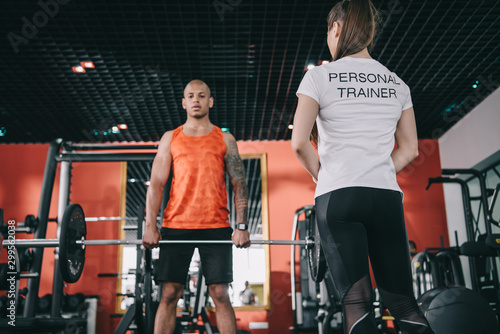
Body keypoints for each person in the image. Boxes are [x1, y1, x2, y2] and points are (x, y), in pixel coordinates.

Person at [291, 1, 435, 333]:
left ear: (336, 29)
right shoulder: (397, 83)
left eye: (329, 30)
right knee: (402, 303)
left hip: (338, 195)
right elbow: (410, 148)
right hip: (386, 198)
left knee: (356, 301)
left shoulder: (319, 77)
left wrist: (322, 175)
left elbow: (299, 143)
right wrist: (379, 169)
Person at [142, 79, 251, 334]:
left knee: (221, 293)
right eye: (190, 95)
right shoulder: (171, 138)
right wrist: (151, 225)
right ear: (183, 102)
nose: (196, 99)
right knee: (168, 293)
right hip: (176, 225)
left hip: (216, 226)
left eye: (201, 95)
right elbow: (156, 184)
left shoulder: (225, 139)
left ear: (210, 101)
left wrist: (242, 226)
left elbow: (240, 184)